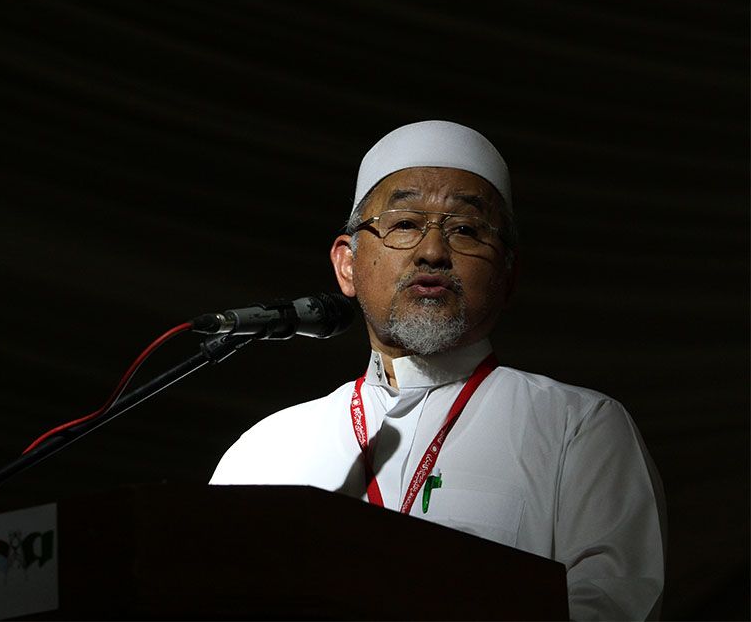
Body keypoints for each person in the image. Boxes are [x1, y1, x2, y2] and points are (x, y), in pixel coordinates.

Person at [209, 121, 666, 621]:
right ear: (348, 265)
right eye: (404, 224)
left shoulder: (576, 427)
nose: (432, 251)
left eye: (466, 229)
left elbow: (614, 607)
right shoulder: (265, 450)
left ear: (508, 275)